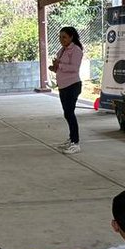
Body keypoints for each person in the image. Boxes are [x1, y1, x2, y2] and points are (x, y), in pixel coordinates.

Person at [51, 26, 84, 155]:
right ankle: (71, 139)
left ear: (71, 37)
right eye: (60, 37)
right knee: (67, 113)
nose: (61, 39)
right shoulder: (62, 50)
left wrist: (60, 65)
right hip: (63, 85)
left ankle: (75, 143)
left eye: (64, 37)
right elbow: (60, 66)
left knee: (70, 113)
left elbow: (74, 68)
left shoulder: (76, 50)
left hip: (72, 85)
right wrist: (54, 67)